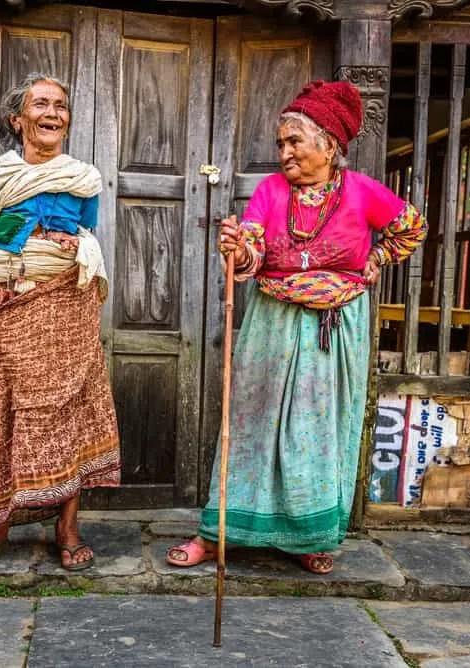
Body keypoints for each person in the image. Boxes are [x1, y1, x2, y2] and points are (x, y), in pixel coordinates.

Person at [166, 80, 426, 574]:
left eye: (294, 142)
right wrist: (236, 247)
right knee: (250, 423)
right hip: (273, 322)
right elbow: (254, 248)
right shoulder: (270, 191)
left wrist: (376, 259)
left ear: (329, 145)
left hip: (336, 327)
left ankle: (309, 536)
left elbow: (411, 227)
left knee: (317, 430)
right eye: (281, 143)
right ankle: (217, 532)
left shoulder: (362, 191)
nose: (284, 152)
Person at [0, 73, 120, 571]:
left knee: (69, 406)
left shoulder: (84, 177)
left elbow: (87, 234)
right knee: (5, 408)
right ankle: (0, 521)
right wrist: (23, 250)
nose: (53, 113)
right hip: (8, 302)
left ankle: (67, 525)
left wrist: (74, 247)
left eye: (61, 105)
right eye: (42, 104)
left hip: (66, 303)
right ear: (18, 119)